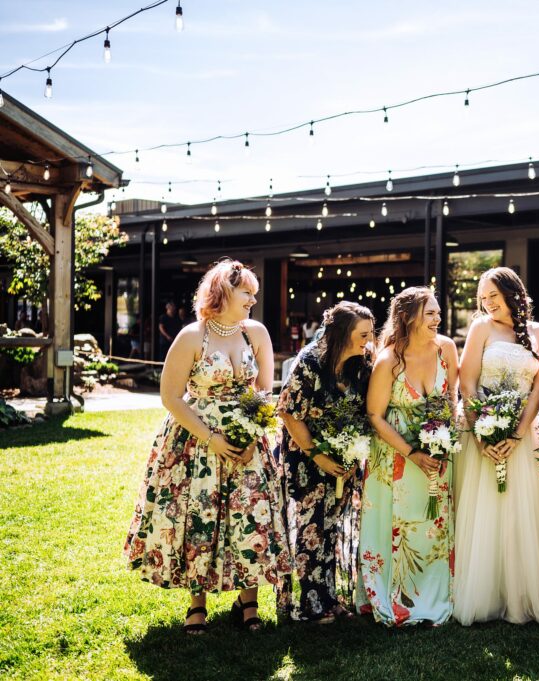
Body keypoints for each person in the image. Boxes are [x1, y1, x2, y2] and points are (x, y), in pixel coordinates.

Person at [124, 259, 291, 634]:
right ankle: (196, 603)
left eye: (254, 293)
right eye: (246, 292)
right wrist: (211, 437)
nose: (252, 299)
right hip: (196, 443)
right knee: (199, 515)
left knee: (250, 517)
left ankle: (249, 601)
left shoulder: (256, 334)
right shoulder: (192, 336)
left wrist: (250, 436)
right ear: (222, 292)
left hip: (248, 442)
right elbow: (171, 397)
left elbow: (264, 392)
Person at [453, 267, 539, 625]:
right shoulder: (481, 328)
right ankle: (484, 593)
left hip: (524, 435)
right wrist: (482, 433)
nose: (488, 303)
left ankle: (522, 591)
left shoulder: (538, 332)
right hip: (482, 435)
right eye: (483, 297)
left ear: (512, 294)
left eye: (494, 295)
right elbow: (468, 383)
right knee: (485, 509)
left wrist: (519, 432)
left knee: (524, 511)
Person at [357, 287, 459, 626]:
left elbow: (451, 399)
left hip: (438, 453)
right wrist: (412, 452)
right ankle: (395, 597)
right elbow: (374, 416)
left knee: (434, 527)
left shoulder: (447, 349)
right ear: (408, 318)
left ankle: (435, 593)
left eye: (437, 312)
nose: (437, 319)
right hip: (395, 456)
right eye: (429, 313)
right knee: (398, 525)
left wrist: (445, 440)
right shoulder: (389, 360)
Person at [276, 302, 375, 623]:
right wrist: (318, 454)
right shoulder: (310, 362)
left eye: (370, 334)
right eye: (363, 334)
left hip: (343, 460)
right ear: (342, 334)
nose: (368, 340)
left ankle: (331, 598)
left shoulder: (361, 365)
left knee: (333, 528)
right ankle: (310, 602)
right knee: (312, 529)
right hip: (306, 456)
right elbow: (289, 412)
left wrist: (350, 451)